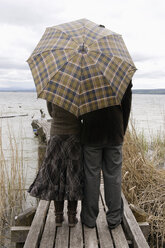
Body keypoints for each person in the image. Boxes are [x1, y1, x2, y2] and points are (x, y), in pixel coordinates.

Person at [80, 81, 132, 229]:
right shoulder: (120, 75)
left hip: (91, 132)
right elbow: (126, 106)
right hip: (114, 130)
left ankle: (89, 219)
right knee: (113, 176)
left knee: (91, 176)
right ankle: (114, 219)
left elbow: (79, 106)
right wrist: (122, 130)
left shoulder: (85, 74)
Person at [28, 102, 83, 227]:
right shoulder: (78, 90)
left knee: (56, 175)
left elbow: (51, 112)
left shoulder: (55, 90)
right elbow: (81, 115)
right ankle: (72, 216)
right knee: (72, 175)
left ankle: (58, 217)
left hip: (56, 134)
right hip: (74, 135)